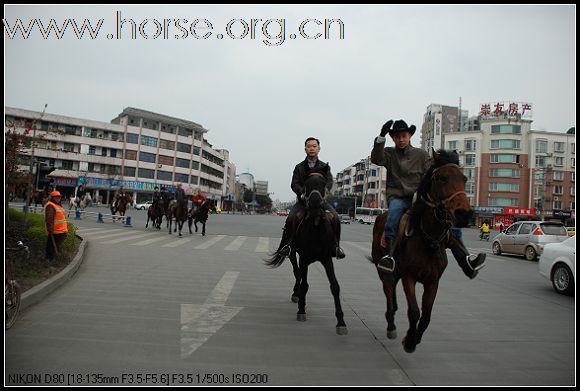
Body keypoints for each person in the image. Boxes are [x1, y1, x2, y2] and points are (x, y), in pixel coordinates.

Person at [371, 119, 485, 278]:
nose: (401, 139)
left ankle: (466, 260)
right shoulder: (389, 153)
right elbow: (376, 159)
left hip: (419, 197)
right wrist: (381, 137)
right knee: (393, 218)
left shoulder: (421, 155)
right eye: (397, 136)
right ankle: (389, 257)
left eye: (404, 135)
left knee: (448, 222)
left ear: (409, 135)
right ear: (393, 138)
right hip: (398, 197)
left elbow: (434, 170)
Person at [277, 137, 345, 259]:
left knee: (335, 218)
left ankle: (336, 247)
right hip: (303, 202)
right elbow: (294, 183)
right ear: (305, 149)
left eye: (314, 146)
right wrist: (302, 193)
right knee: (290, 218)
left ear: (319, 148)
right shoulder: (299, 167)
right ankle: (289, 245)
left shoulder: (324, 167)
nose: (312, 148)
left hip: (320, 202)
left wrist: (324, 191)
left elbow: (329, 181)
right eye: (309, 146)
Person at [44, 190, 68, 263]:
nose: (58, 198)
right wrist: (50, 229)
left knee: (55, 247)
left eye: (59, 197)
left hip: (61, 231)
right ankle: (49, 261)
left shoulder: (58, 205)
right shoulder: (50, 205)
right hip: (55, 231)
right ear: (52, 198)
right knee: (51, 247)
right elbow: (49, 218)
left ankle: (52, 260)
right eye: (56, 197)